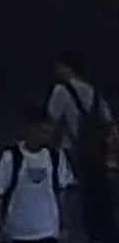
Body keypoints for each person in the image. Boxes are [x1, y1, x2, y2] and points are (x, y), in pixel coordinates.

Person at [55, 57, 117, 243]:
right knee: (94, 196)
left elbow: (53, 120)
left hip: (69, 150)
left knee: (69, 195)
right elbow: (108, 121)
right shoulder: (95, 93)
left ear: (67, 67)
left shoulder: (61, 90)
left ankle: (70, 232)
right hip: (94, 155)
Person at [0, 112, 82, 243]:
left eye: (49, 133)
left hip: (48, 231)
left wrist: (65, 225)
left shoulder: (56, 157)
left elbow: (62, 194)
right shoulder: (11, 157)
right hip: (18, 232)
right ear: (30, 130)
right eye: (43, 132)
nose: (46, 137)